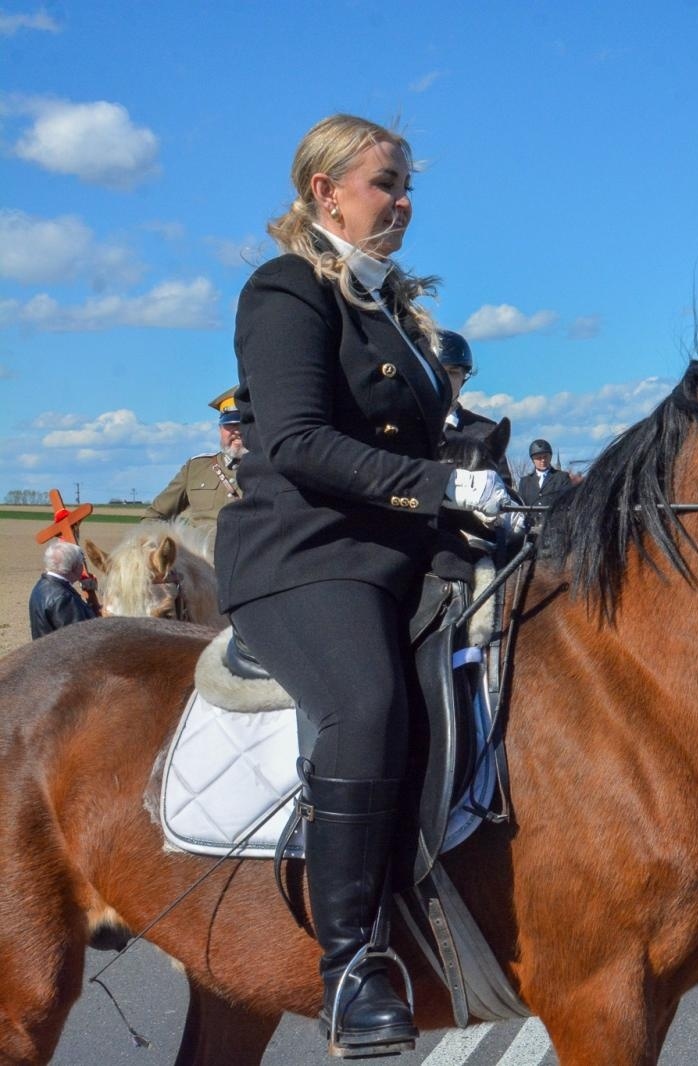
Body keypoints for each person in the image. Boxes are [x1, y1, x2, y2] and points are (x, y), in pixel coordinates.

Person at [213, 114, 511, 1057]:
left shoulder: (395, 314)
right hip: (307, 552)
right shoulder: (287, 289)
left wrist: (478, 493)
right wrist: (438, 485)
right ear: (324, 190)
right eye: (386, 182)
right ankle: (353, 965)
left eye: (408, 183)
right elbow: (297, 442)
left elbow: (415, 446)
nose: (405, 200)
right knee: (367, 702)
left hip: (404, 547)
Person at [142, 388, 247, 545]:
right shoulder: (196, 468)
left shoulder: (275, 469)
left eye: (244, 423)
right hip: (201, 565)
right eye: (230, 424)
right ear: (220, 429)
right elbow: (154, 517)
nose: (237, 431)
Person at [437, 329, 515, 486]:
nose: (444, 379)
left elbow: (503, 489)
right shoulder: (407, 428)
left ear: (464, 377)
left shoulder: (485, 431)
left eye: (452, 373)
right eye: (437, 371)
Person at [28, 540, 99, 638]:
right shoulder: (63, 598)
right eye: (81, 562)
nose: (82, 567)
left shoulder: (41, 585)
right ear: (73, 566)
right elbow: (80, 637)